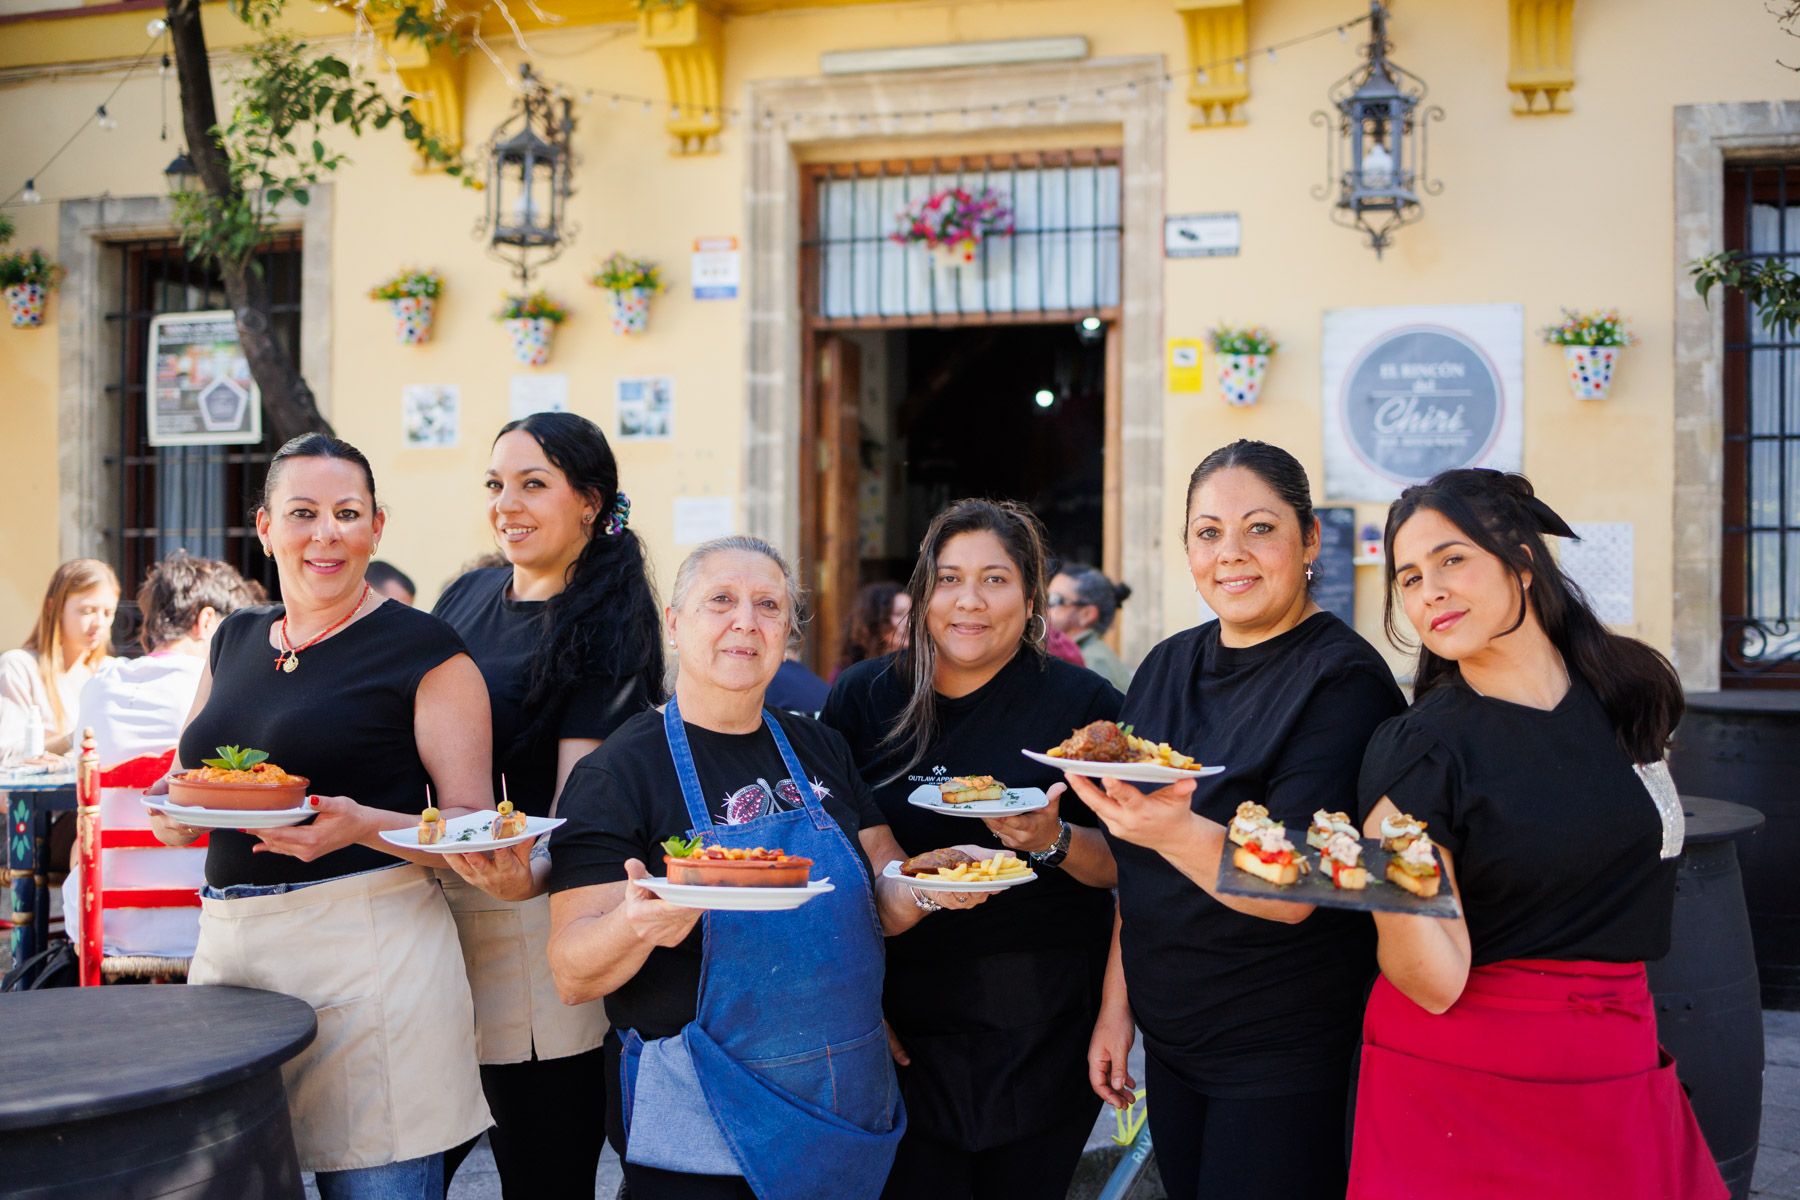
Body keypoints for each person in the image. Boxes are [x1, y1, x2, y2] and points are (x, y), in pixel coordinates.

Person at [546, 535, 993, 1200]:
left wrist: (933, 885)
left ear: (788, 630)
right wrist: (639, 924)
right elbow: (572, 972)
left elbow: (884, 896)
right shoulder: (618, 772)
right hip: (705, 1113)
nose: (745, 622)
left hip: (841, 1097)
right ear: (674, 622)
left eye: (768, 606)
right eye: (720, 601)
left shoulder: (819, 745)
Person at [1347, 469, 1726, 1199]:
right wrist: (1386, 867)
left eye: (1453, 559)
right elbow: (1431, 982)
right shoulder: (1420, 751)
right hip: (1463, 1079)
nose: (1429, 590)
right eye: (1410, 576)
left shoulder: (1631, 691)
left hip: (1617, 1056)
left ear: (1522, 562)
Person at [147, 434, 493, 1199]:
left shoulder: (429, 652)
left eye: (347, 513)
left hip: (374, 962)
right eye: (303, 513)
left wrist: (364, 824)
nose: (326, 533)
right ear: (265, 527)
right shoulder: (234, 639)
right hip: (233, 957)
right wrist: (175, 816)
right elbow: (190, 782)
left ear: (377, 526)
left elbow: (476, 832)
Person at [1074, 440, 1404, 1200]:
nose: (1232, 555)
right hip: (1174, 1039)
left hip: (1282, 1050)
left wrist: (1164, 827)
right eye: (1207, 532)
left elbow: (1294, 890)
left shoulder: (1343, 682)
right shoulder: (1165, 664)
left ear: (1310, 539)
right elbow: (1137, 870)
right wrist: (1116, 1011)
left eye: (1260, 528)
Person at [822, 499, 1122, 1200]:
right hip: (898, 1021)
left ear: (1030, 595)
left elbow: (1128, 864)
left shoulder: (1082, 704)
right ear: (923, 592)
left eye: (994, 580)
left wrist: (1051, 841)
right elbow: (830, 854)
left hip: (1040, 1025)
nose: (970, 602)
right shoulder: (865, 698)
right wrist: (852, 1002)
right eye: (950, 579)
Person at [432, 413, 663, 1198]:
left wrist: (526, 875)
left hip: (531, 918)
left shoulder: (612, 622)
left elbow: (580, 806)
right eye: (496, 484)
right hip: (432, 915)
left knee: (542, 1167)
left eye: (534, 484)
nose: (507, 504)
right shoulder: (464, 594)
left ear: (591, 502)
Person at [61, 552, 259, 961]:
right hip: (204, 925)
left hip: (102, 925)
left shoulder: (99, 686)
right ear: (207, 622)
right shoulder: (227, 692)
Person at [75, 552, 259, 763]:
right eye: (229, 629)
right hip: (179, 796)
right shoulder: (219, 690)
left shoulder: (100, 681)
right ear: (207, 621)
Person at [0, 558, 119, 764]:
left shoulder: (107, 671)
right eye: (87, 611)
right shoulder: (20, 667)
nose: (99, 623)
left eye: (108, 613)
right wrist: (73, 739)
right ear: (53, 607)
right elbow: (8, 753)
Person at [1048, 563, 1134, 692]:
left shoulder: (1092, 662)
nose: (1045, 606)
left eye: (1055, 600)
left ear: (1087, 614)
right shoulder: (1089, 655)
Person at [834, 581, 909, 677]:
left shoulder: (921, 671)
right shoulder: (848, 674)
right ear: (876, 621)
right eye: (899, 614)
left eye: (913, 613)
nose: (910, 621)